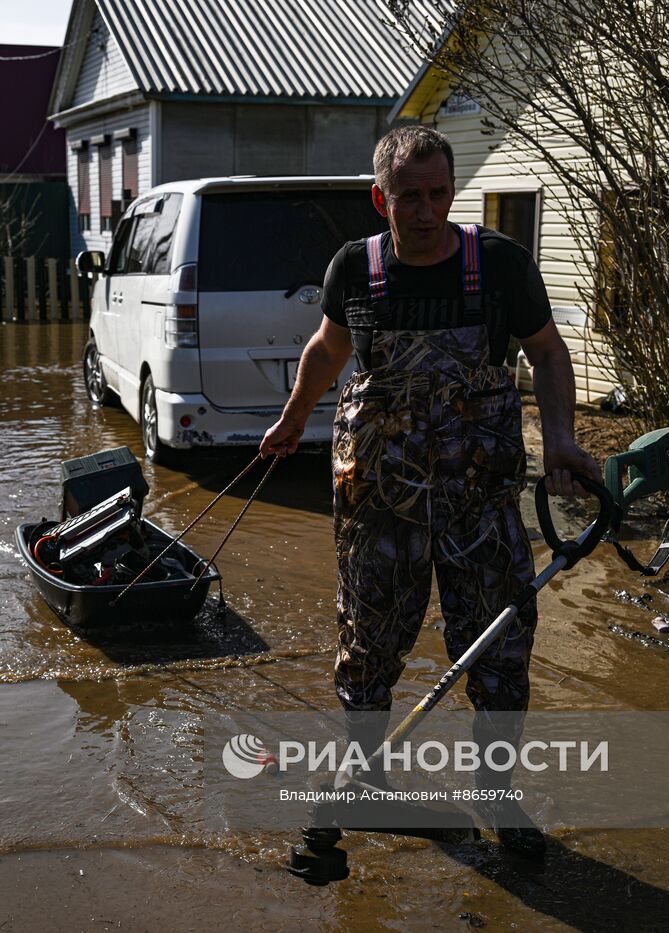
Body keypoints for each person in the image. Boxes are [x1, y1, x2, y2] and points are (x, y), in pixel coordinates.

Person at [259, 125, 598, 858]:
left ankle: (499, 798)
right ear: (380, 197)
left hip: (479, 506)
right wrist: (291, 420)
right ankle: (371, 779)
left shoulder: (499, 266)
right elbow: (328, 349)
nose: (425, 209)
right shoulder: (357, 269)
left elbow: (546, 351)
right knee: (367, 645)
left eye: (439, 193)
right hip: (377, 505)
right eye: (408, 196)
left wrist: (564, 440)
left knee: (501, 650)